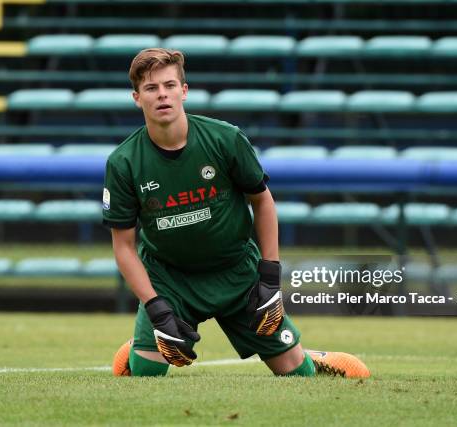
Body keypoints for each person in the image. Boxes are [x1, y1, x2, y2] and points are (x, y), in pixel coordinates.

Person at [103, 48, 369, 378]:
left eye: (170, 86)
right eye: (151, 88)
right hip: (169, 277)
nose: (162, 95)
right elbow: (124, 247)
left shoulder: (225, 139)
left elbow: (263, 202)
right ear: (136, 97)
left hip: (236, 272)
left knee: (299, 376)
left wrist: (270, 277)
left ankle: (307, 357)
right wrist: (155, 307)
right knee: (141, 374)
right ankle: (141, 346)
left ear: (184, 91)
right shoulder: (123, 162)